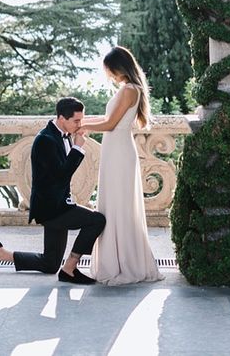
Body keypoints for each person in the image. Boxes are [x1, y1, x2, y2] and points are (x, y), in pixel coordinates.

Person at [0, 96, 105, 284]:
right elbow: (61, 176)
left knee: (50, 264)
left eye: (81, 120)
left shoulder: (61, 134)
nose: (80, 125)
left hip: (58, 204)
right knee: (96, 220)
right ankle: (70, 268)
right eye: (76, 121)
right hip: (52, 208)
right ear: (62, 118)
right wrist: (77, 147)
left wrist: (75, 143)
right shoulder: (46, 140)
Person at [79, 46, 162, 285]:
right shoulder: (131, 89)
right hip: (116, 149)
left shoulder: (129, 90)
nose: (109, 75)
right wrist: (81, 122)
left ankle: (121, 262)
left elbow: (110, 123)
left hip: (119, 151)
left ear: (118, 67)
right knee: (114, 204)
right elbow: (107, 121)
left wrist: (81, 126)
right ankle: (118, 259)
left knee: (118, 206)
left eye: (109, 70)